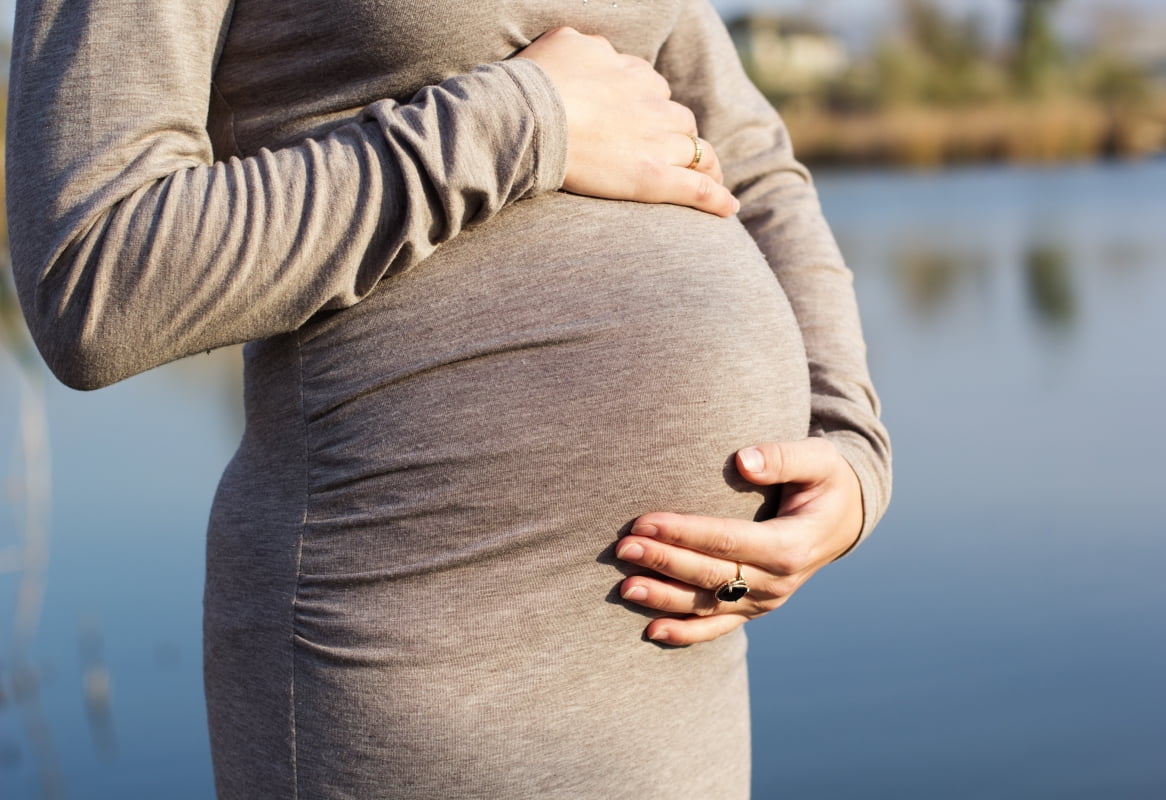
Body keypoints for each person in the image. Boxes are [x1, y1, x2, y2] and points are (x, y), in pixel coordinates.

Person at [6, 1, 891, 798]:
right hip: (411, 659)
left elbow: (755, 169)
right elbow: (94, 278)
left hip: (680, 676)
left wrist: (851, 451)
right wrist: (524, 121)